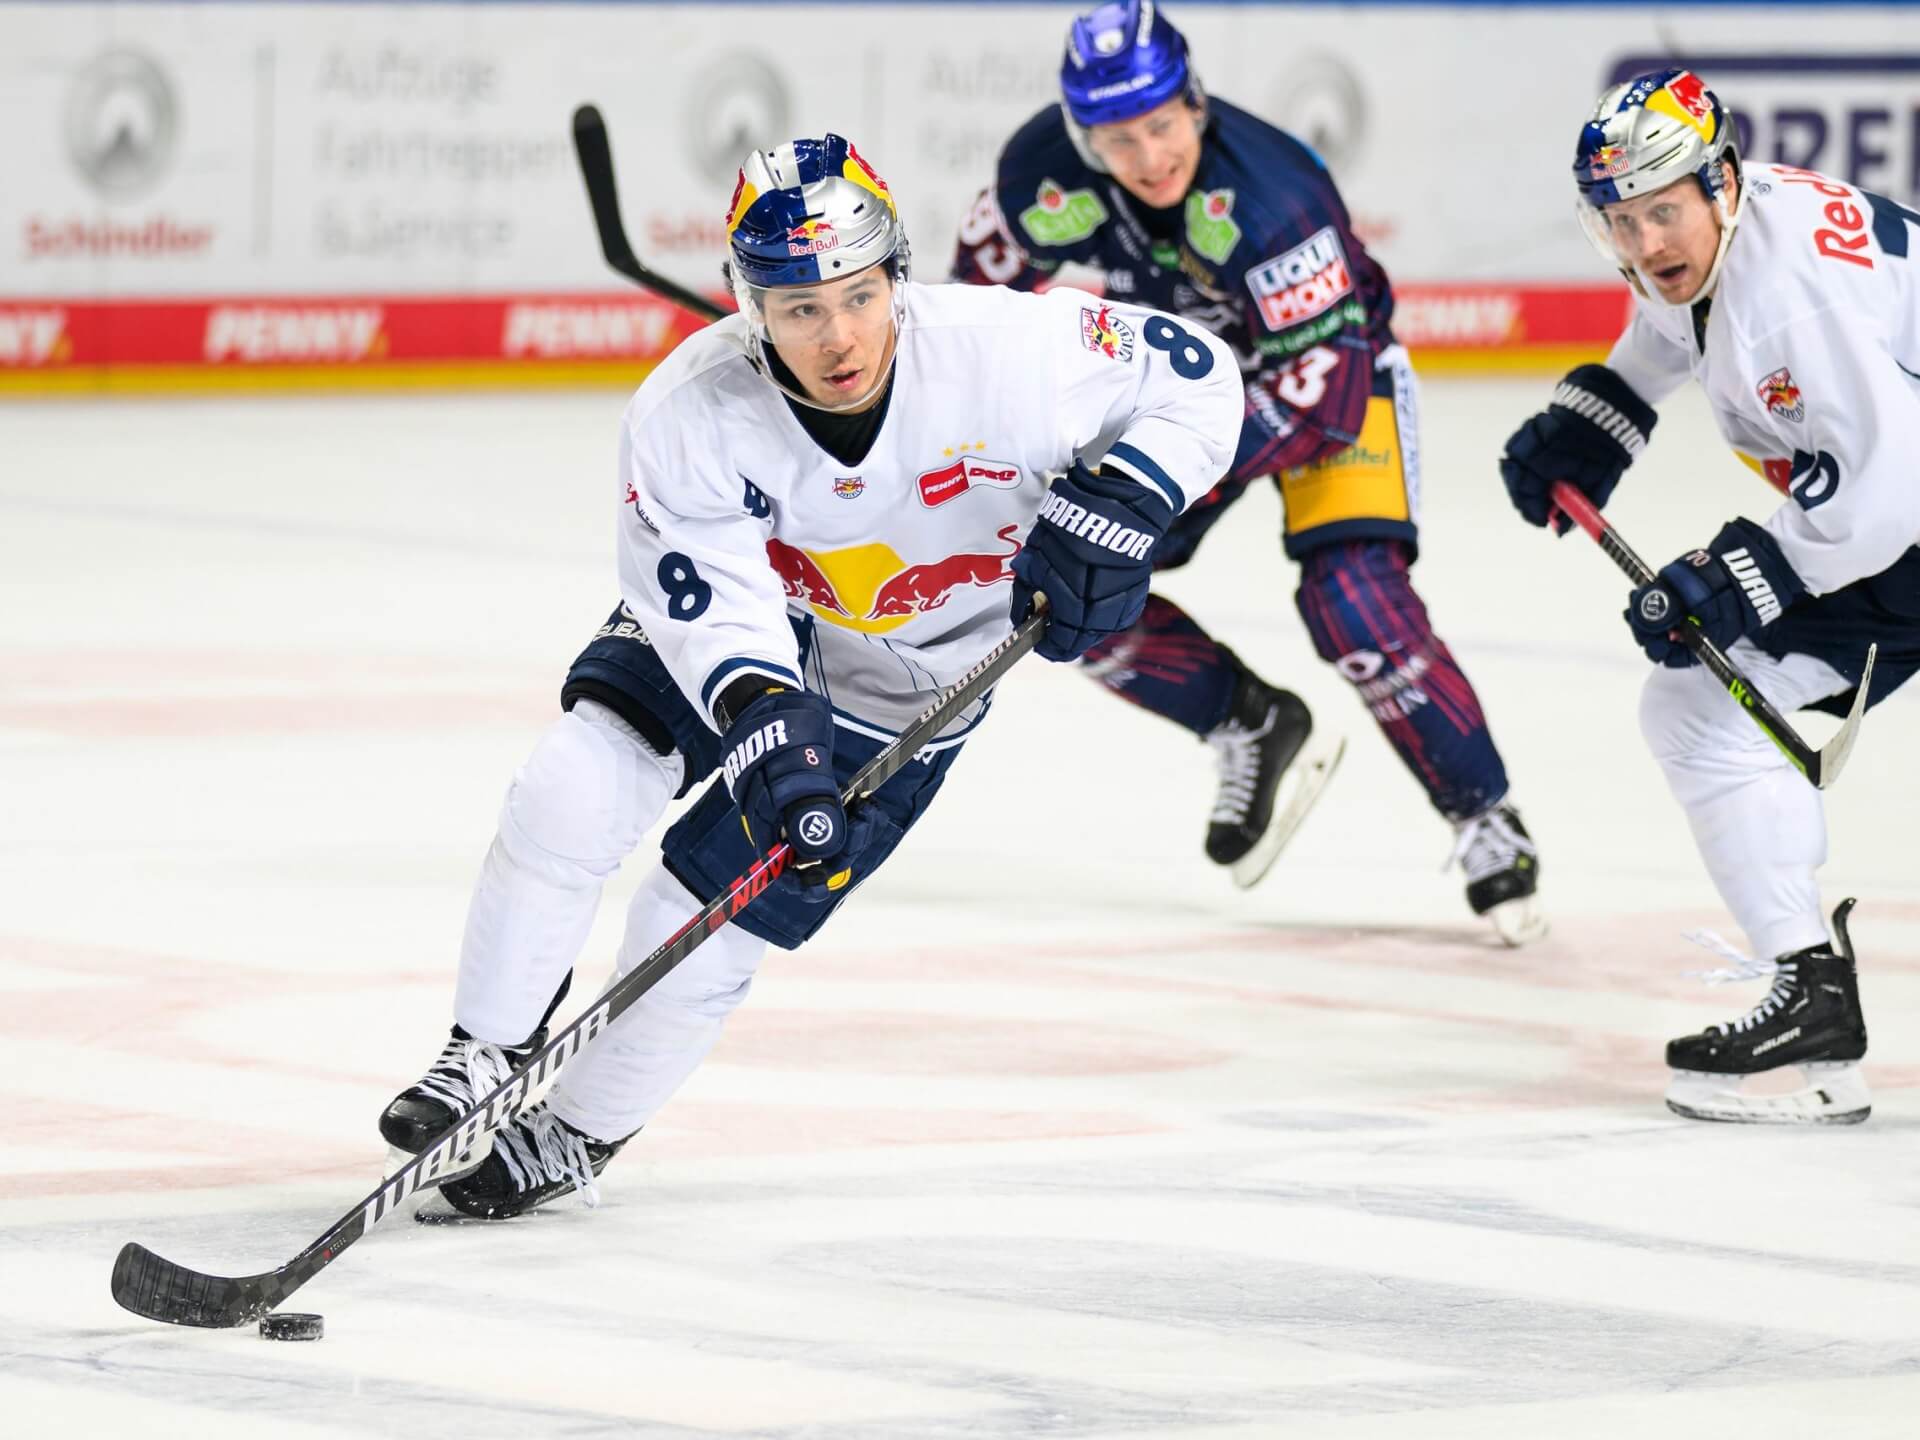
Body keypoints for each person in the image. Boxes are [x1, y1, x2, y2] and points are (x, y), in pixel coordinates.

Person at [377, 133, 1242, 1215]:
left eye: (859, 297)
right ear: (751, 306)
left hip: (912, 680)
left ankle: (575, 1133)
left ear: (898, 275)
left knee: (705, 925)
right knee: (576, 783)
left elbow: (1200, 378)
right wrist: (761, 712)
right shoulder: (687, 410)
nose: (838, 337)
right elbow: (715, 605)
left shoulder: (1010, 353)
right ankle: (486, 1048)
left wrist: (1128, 499)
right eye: (799, 309)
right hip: (762, 614)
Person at [951, 0, 1543, 938]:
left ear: (1194, 100)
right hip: (1174, 391)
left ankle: (1483, 814)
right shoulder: (1036, 176)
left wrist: (1145, 481)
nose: (1148, 156)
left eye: (1161, 124)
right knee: (1064, 588)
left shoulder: (1275, 197)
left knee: (1355, 602)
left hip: (1334, 384)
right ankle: (1248, 722)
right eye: (1116, 138)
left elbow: (1320, 401)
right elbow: (970, 325)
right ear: (1082, 134)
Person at [1500, 68, 1919, 1123]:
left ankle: (1814, 1007)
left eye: (1662, 213)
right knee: (1698, 705)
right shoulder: (1733, 225)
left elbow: (1887, 493)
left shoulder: (1794, 303)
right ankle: (1811, 1002)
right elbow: (1668, 326)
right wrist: (1599, 420)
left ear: (1720, 182)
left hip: (1903, 518)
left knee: (1699, 709)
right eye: (1622, 221)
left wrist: (1744, 577)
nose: (1646, 245)